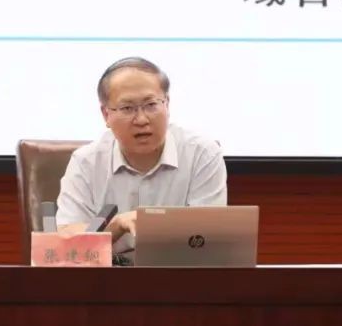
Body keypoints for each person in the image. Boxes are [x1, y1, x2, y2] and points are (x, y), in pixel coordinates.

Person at [55, 57, 227, 262]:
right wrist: (116, 226)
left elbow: (210, 238)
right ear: (106, 114)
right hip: (106, 278)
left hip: (178, 274)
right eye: (127, 108)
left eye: (151, 105)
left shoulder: (202, 154)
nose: (142, 119)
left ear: (167, 104)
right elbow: (66, 243)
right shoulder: (86, 163)